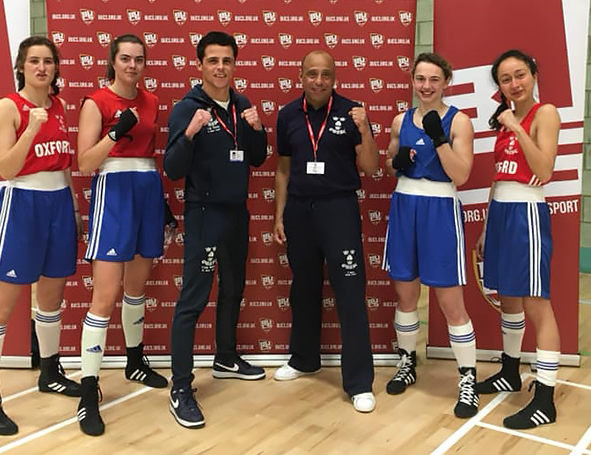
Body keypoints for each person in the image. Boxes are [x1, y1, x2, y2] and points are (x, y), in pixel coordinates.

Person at [0, 36, 81, 436]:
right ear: (21, 66)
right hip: (22, 204)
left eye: (48, 62)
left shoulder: (61, 106)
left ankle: (50, 371)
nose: (41, 68)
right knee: (0, 307)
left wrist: (71, 207)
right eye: (34, 61)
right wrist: (30, 130)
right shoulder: (7, 107)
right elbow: (6, 168)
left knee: (52, 298)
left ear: (56, 68)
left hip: (57, 204)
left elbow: (66, 164)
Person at [164, 31, 268, 429]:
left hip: (237, 213)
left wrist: (258, 129)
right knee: (193, 299)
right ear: (200, 65)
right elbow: (172, 170)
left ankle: (225, 357)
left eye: (226, 61)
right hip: (205, 213)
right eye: (213, 61)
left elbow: (256, 159)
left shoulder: (242, 105)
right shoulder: (186, 108)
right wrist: (190, 133)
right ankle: (181, 387)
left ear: (234, 63)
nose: (220, 68)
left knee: (234, 288)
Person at [272, 50, 379, 413]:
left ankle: (360, 382)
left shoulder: (353, 113)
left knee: (349, 292)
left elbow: (371, 166)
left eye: (326, 74)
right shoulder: (287, 115)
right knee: (303, 288)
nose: (319, 80)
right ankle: (304, 358)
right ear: (300, 76)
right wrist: (279, 215)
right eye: (312, 74)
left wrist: (365, 129)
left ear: (335, 78)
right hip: (300, 211)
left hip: (339, 209)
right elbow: (283, 170)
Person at [76, 34, 168, 436]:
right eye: (126, 59)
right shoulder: (96, 102)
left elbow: (148, 153)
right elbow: (83, 162)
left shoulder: (151, 102)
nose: (133, 65)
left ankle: (135, 359)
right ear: (113, 62)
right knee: (105, 294)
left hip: (146, 190)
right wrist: (114, 134)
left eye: (139, 59)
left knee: (136, 288)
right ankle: (88, 389)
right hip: (113, 194)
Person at [383, 53, 478, 418]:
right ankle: (407, 361)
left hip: (440, 209)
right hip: (406, 204)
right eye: (420, 79)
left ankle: (466, 379)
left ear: (446, 81)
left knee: (451, 303)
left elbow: (462, 174)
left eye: (433, 79)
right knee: (405, 293)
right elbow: (392, 163)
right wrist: (398, 162)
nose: (426, 86)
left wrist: (440, 139)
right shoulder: (399, 120)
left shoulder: (459, 122)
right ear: (412, 80)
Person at [475, 49, 561, 429]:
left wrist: (517, 128)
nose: (514, 83)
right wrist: (485, 225)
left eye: (520, 74)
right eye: (506, 79)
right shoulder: (504, 120)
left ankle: (544, 398)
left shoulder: (545, 113)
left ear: (534, 74)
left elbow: (543, 170)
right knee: (508, 296)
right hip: (502, 214)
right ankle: (510, 371)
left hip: (527, 212)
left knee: (536, 303)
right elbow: (499, 176)